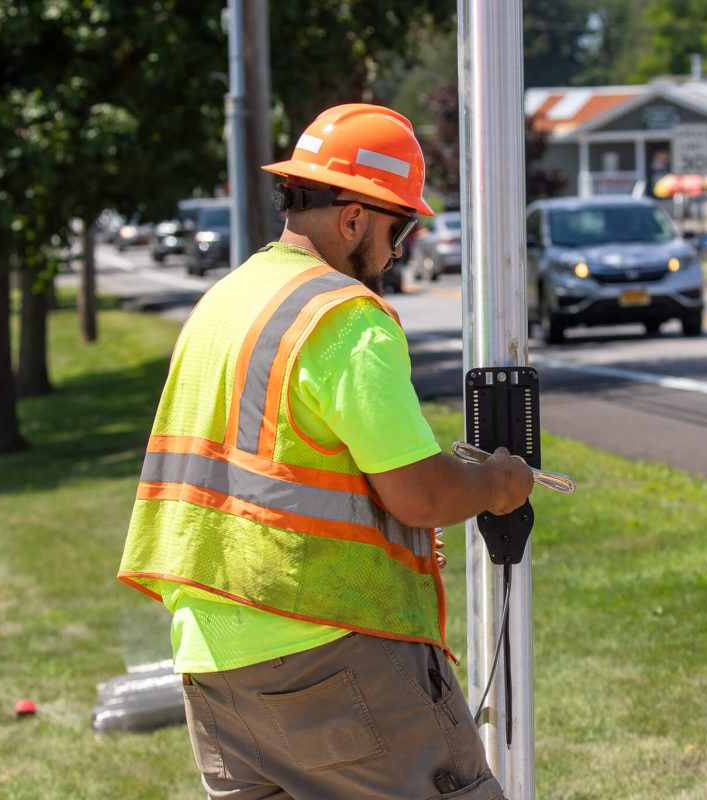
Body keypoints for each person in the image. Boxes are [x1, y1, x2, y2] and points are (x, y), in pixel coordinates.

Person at [118, 103, 534, 800]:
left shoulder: (224, 301)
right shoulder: (343, 316)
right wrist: (495, 482)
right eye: (397, 228)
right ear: (353, 219)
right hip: (331, 649)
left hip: (211, 656)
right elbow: (420, 494)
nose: (397, 249)